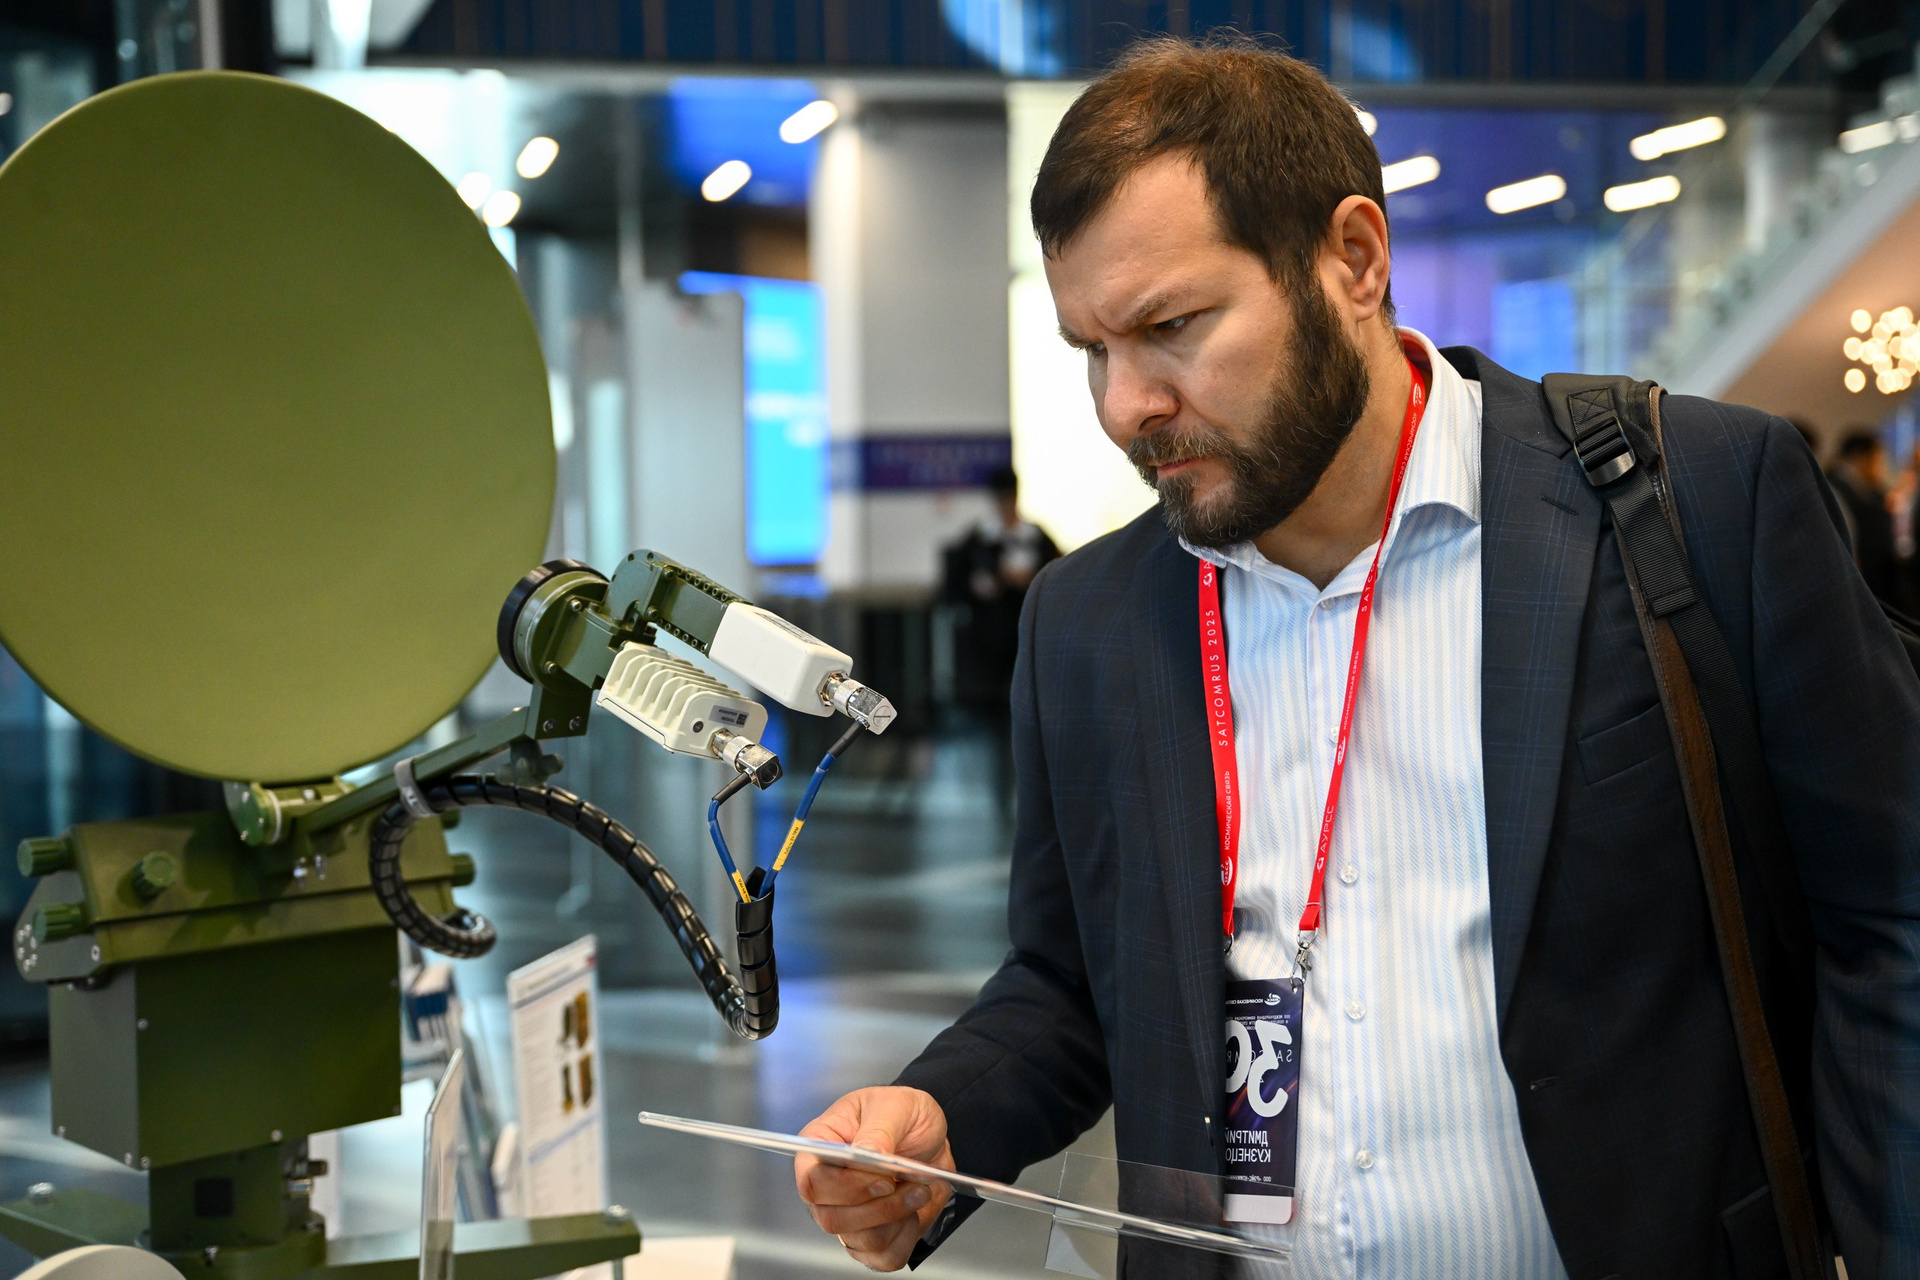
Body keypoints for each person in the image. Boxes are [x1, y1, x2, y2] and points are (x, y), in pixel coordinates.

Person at [793, 35, 1920, 1279]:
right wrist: (944, 1111)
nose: (1125, 405)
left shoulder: (1690, 502)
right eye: (1091, 349)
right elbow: (1070, 980)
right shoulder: (1090, 621)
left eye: (1171, 326)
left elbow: (1892, 920)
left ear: (1355, 260)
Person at [939, 466, 1060, 717]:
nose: (1007, 506)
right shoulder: (978, 539)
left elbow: (1057, 575)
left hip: (1026, 630)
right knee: (991, 704)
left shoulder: (1035, 537)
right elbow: (953, 585)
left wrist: (1029, 579)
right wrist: (990, 582)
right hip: (987, 635)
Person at [1826, 430, 1901, 604]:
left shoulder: (1868, 490)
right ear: (1861, 457)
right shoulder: (1834, 489)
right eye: (1878, 460)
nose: (1881, 468)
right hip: (1862, 582)